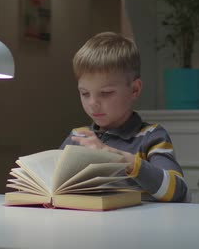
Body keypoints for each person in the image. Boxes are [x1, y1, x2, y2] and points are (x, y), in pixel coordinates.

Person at [60, 32, 190, 202]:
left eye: (105, 93)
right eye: (84, 93)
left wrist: (118, 158)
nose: (93, 103)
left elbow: (177, 191)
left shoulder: (152, 136)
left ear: (135, 89)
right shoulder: (78, 137)